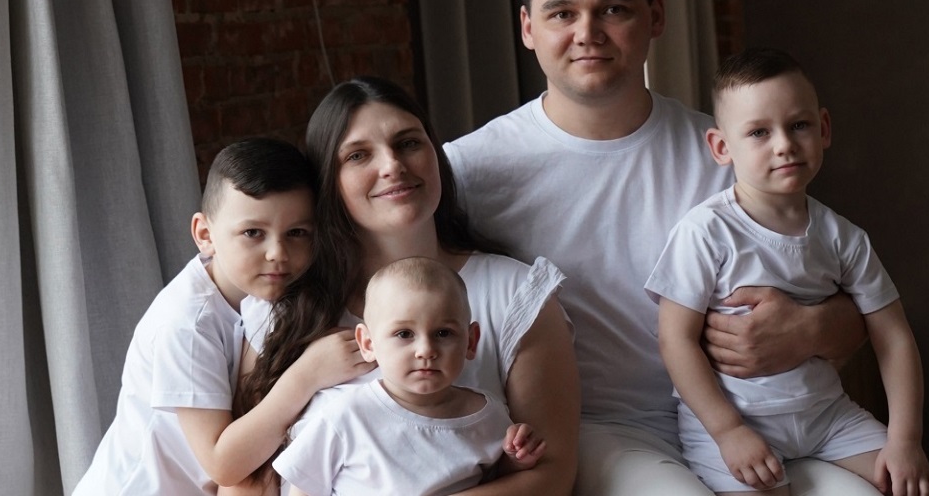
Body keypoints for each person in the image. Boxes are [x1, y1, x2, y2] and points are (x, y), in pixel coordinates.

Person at [443, 0, 873, 495]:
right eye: (562, 13)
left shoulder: (729, 151)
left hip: (750, 420)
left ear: (656, 15)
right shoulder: (468, 171)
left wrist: (810, 327)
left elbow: (856, 298)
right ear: (527, 28)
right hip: (597, 430)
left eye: (613, 9)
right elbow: (391, 293)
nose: (587, 33)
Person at [238, 76, 579, 495]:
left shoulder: (515, 294)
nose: (392, 166)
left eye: (408, 143)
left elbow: (551, 476)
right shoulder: (288, 305)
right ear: (329, 180)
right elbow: (244, 479)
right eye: (359, 155)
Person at [647, 47, 929, 496]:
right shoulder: (705, 232)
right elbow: (675, 340)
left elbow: (894, 336)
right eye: (759, 132)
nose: (784, 144)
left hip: (826, 416)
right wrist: (728, 431)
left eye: (799, 125)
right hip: (735, 421)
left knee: (918, 487)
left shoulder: (843, 237)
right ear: (721, 147)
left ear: (823, 128)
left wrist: (905, 440)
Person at [73, 138, 336, 495]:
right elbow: (220, 463)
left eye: (297, 233)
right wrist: (309, 374)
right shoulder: (187, 323)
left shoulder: (267, 299)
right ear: (205, 234)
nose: (278, 252)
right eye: (253, 233)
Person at [272, 256, 546, 495]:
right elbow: (304, 487)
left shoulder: (489, 415)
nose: (426, 350)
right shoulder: (346, 415)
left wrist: (516, 460)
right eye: (404, 334)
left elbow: (498, 481)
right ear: (368, 343)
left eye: (443, 333)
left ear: (471, 341)